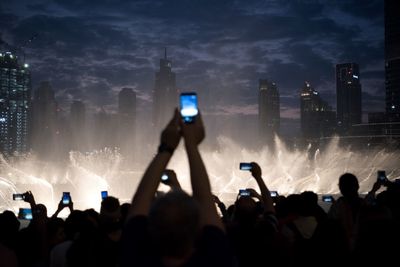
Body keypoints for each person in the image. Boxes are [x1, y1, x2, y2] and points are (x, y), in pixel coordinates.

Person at [120, 109, 235, 267]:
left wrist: (166, 148)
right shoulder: (216, 260)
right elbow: (205, 199)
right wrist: (191, 145)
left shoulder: (134, 258)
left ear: (150, 229)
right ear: (198, 231)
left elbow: (141, 198)